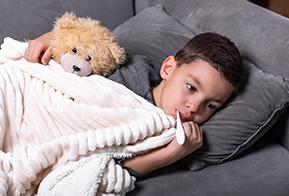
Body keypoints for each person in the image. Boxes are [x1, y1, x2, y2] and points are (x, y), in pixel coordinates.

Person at [24, 32, 243, 176]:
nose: (195, 107)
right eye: (191, 88)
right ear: (168, 68)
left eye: (211, 105)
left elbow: (104, 173)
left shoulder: (171, 137)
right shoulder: (131, 70)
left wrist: (171, 154)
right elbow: (81, 51)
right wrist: (52, 39)